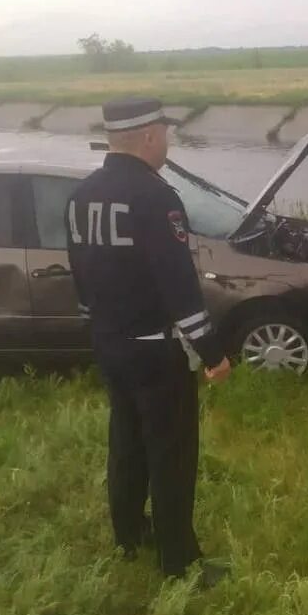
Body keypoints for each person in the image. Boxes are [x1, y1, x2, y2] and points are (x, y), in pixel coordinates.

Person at [65, 96, 232, 588]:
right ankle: (179, 563)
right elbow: (178, 284)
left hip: (109, 341)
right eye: (165, 132)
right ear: (148, 137)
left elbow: (79, 273)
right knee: (171, 452)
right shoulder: (157, 197)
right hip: (156, 351)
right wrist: (213, 351)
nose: (167, 141)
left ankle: (128, 535)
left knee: (126, 440)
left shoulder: (82, 195)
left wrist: (95, 327)